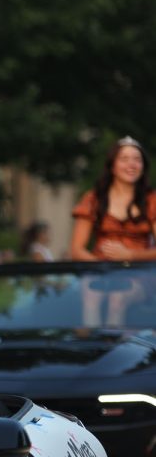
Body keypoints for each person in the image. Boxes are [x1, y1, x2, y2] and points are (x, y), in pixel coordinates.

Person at [70, 135, 156, 326]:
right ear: (112, 165)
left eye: (137, 159)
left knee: (118, 297)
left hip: (139, 273)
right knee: (91, 296)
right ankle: (91, 349)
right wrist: (102, 267)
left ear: (143, 166)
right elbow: (76, 249)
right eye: (124, 159)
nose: (131, 164)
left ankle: (113, 349)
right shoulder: (94, 199)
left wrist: (130, 255)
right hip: (98, 270)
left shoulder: (151, 200)